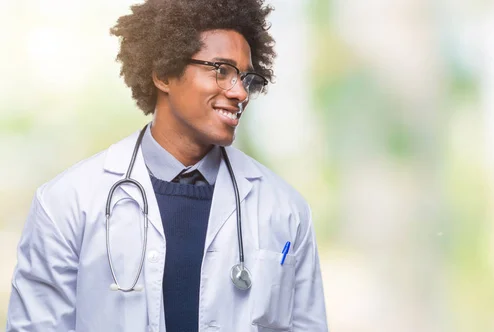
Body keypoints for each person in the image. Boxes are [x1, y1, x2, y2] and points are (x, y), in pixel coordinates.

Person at [5, 0, 328, 331]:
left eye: (246, 78)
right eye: (222, 70)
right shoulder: (67, 203)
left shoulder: (285, 209)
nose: (240, 93)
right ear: (163, 73)